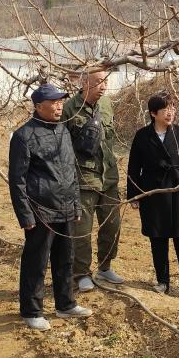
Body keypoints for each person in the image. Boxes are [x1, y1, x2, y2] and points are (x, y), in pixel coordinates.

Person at [9, 83, 93, 330]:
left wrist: (75, 205)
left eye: (60, 102)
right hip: (41, 210)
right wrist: (25, 215)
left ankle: (65, 304)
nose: (59, 107)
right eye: (54, 103)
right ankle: (32, 311)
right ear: (38, 106)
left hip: (65, 207)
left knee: (65, 258)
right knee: (36, 262)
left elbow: (71, 171)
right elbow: (17, 180)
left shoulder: (63, 130)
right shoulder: (24, 136)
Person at [127, 93, 179, 298]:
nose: (170, 112)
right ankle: (163, 281)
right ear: (153, 113)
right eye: (165, 109)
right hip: (153, 192)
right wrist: (134, 195)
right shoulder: (142, 136)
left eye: (172, 108)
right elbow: (133, 167)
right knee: (158, 238)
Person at [61, 69, 124, 291]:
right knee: (82, 231)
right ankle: (81, 273)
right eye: (98, 82)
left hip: (109, 177)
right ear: (85, 83)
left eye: (106, 81)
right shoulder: (69, 108)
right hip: (84, 179)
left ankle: (105, 267)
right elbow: (62, 146)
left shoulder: (106, 104)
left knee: (112, 225)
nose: (103, 86)